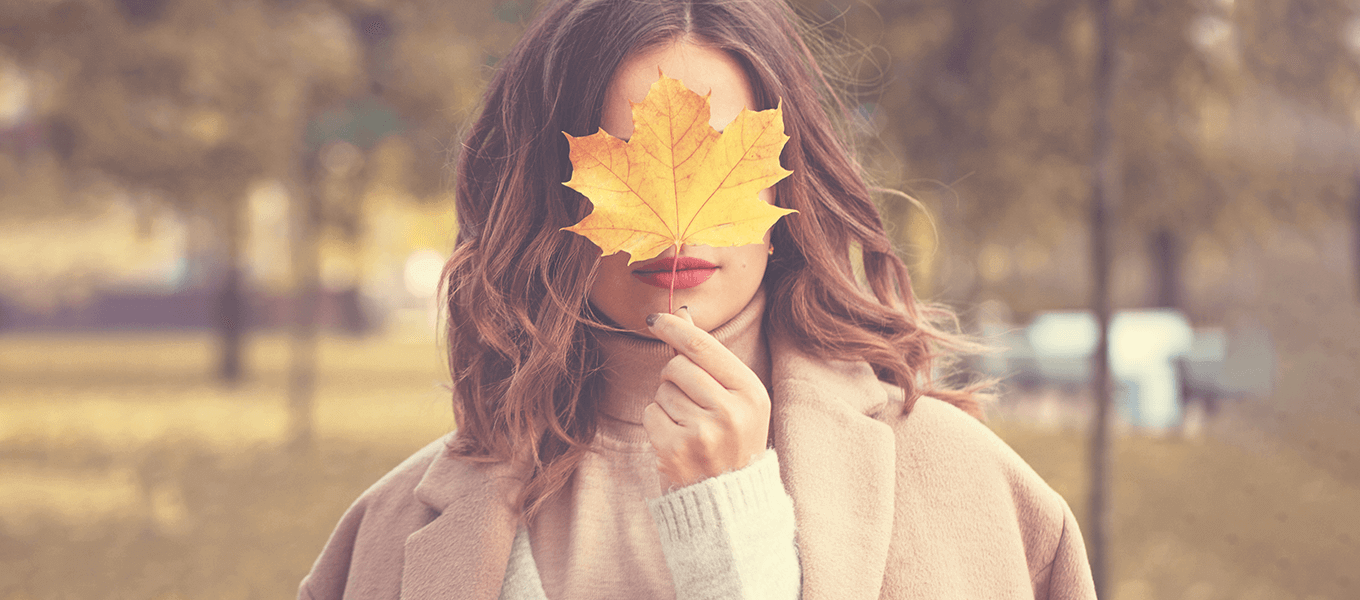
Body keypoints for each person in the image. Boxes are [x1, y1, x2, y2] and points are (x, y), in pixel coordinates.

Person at [299, 1, 1098, 599]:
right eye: (621, 160)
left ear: (787, 180)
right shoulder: (388, 530)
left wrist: (730, 539)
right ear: (551, 194)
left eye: (722, 157)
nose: (672, 227)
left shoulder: (972, 489)